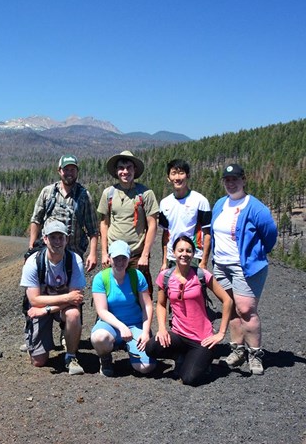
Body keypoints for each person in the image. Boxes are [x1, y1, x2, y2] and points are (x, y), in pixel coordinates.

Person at [205, 163, 277, 375]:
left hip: (245, 267)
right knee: (232, 307)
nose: (231, 183)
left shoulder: (255, 207)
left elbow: (270, 233)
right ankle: (237, 350)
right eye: (227, 180)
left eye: (235, 179)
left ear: (244, 180)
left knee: (246, 309)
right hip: (222, 265)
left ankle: (255, 353)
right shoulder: (220, 204)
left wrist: (256, 254)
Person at [145, 235, 233, 386]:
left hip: (202, 339)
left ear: (193, 253)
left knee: (189, 379)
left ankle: (202, 361)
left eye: (188, 250)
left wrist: (221, 333)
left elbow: (228, 300)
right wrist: (161, 329)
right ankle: (180, 356)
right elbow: (160, 304)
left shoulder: (202, 275)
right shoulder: (165, 277)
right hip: (179, 335)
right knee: (151, 347)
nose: (184, 254)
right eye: (180, 250)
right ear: (174, 252)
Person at [20, 220, 87, 374]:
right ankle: (32, 338)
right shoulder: (33, 262)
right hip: (39, 307)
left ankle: (70, 356)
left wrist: (47, 309)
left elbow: (76, 299)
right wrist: (66, 299)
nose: (57, 242)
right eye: (53, 237)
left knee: (74, 314)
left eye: (60, 237)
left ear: (66, 239)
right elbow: (34, 300)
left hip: (46, 308)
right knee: (39, 361)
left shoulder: (74, 260)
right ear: (45, 239)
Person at [90, 239, 155, 377]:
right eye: (116, 258)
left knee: (146, 367)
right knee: (99, 338)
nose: (120, 262)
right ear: (109, 258)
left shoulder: (136, 276)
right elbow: (102, 310)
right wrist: (121, 326)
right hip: (111, 324)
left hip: (135, 323)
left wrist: (145, 331)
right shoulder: (101, 278)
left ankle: (132, 354)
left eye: (123, 258)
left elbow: (147, 305)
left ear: (129, 258)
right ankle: (105, 359)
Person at [97, 151, 158, 293]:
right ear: (116, 171)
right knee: (111, 291)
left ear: (134, 170)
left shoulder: (145, 194)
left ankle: (142, 316)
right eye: (121, 168)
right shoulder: (109, 193)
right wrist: (104, 253)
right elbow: (104, 224)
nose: (125, 171)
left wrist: (145, 255)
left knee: (141, 292)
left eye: (129, 167)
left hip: (136, 254)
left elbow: (152, 225)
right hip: (114, 253)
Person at [28, 154, 98, 272]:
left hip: (73, 255)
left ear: (77, 171)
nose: (69, 173)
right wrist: (31, 246)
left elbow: (93, 230)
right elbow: (36, 220)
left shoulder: (84, 196)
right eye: (66, 169)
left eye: (72, 169)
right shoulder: (48, 192)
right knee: (43, 288)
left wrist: (93, 254)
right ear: (59, 171)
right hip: (46, 253)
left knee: (74, 289)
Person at [159, 159, 212, 271]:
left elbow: (207, 234)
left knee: (194, 288)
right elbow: (165, 235)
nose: (177, 177)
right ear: (168, 178)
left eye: (181, 173)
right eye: (173, 173)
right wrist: (164, 261)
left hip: (193, 256)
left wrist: (203, 262)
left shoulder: (200, 201)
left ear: (188, 175)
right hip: (172, 257)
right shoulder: (164, 203)